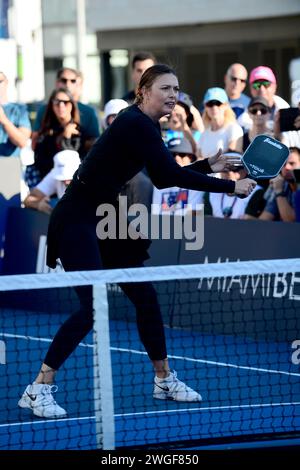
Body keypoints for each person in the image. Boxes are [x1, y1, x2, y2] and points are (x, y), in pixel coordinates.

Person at [18, 64, 256, 418]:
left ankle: (163, 380)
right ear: (144, 91)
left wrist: (208, 165)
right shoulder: (135, 124)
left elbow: (162, 175)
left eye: (176, 89)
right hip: (77, 218)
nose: (173, 95)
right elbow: (167, 176)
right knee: (92, 307)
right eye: (166, 88)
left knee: (144, 295)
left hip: (104, 217)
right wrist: (229, 185)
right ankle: (38, 388)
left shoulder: (143, 125)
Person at [23, 150, 81, 214]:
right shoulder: (54, 175)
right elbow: (28, 199)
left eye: (70, 177)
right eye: (63, 179)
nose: (66, 182)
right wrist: (39, 204)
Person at [0, 71, 31, 156]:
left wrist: (3, 120)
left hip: (10, 165)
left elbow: (23, 143)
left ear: (6, 82)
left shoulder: (20, 109)